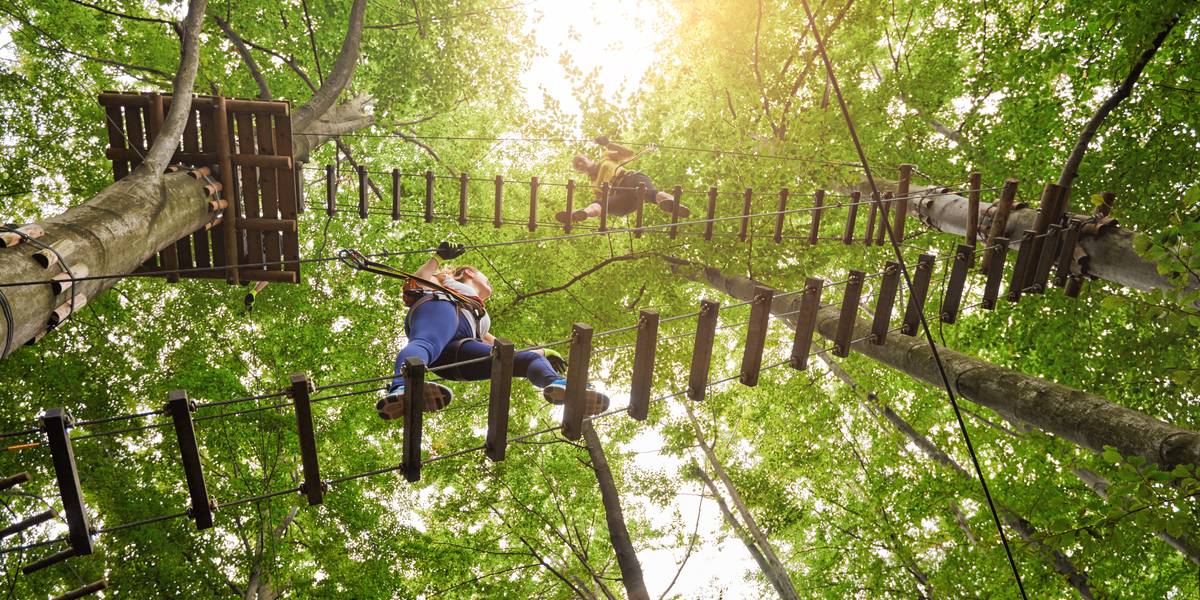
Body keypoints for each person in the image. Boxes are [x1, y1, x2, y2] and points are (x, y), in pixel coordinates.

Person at [378, 242, 610, 421]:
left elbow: (499, 348)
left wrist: (543, 352)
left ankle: (561, 386)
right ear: (468, 272)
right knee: (427, 342)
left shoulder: (482, 318)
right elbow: (417, 282)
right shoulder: (446, 280)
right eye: (485, 278)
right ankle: (401, 386)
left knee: (523, 360)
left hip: (457, 352)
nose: (489, 284)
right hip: (440, 309)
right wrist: (437, 259)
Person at [559, 136, 691, 224]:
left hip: (629, 179)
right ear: (579, 171)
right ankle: (580, 214)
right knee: (600, 203)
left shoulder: (605, 158)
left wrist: (607, 144)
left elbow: (629, 154)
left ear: (588, 158)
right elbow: (604, 203)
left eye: (581, 161)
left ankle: (675, 205)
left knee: (649, 193)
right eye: (577, 166)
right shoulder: (593, 185)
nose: (580, 165)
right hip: (622, 198)